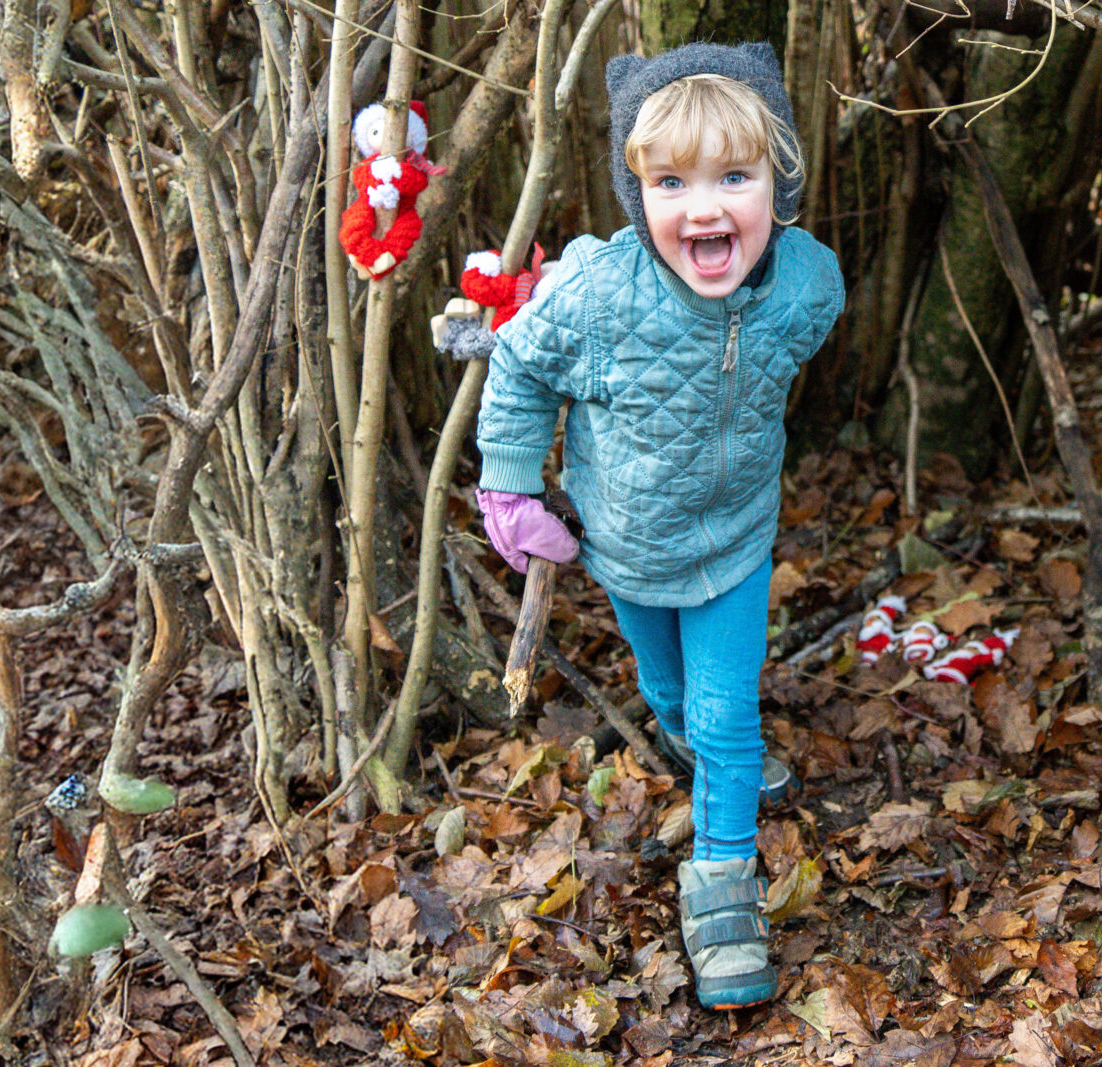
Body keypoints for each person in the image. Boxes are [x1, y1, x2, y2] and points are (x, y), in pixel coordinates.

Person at [468, 43, 844, 1010]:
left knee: (725, 714)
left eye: (735, 176)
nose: (705, 206)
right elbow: (517, 369)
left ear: (778, 181)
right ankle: (705, 754)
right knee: (666, 690)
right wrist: (509, 489)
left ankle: (723, 888)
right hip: (628, 550)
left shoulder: (806, 283)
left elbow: (799, 331)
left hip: (735, 546)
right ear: (639, 196)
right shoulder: (598, 296)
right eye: (672, 182)